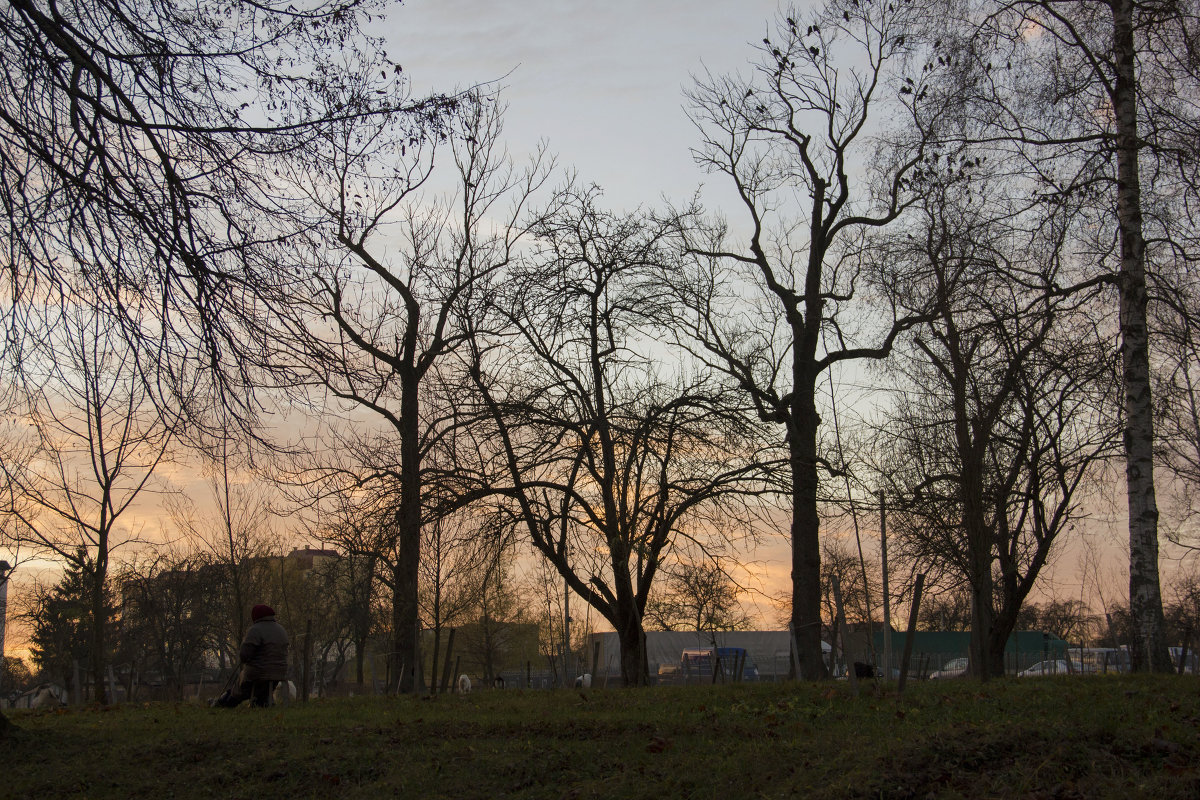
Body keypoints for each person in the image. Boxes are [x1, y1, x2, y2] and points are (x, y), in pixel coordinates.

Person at [214, 604, 290, 708]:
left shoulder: (255, 629)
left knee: (241, 683)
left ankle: (225, 702)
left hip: (259, 671)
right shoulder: (281, 629)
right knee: (260, 686)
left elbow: (244, 655)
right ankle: (261, 701)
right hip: (280, 671)